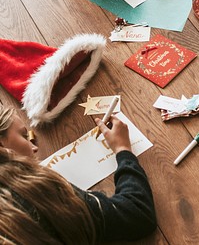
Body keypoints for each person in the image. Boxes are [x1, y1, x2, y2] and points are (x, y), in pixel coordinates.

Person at [0, 103, 157, 243]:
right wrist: (123, 150)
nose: (34, 147)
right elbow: (137, 212)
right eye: (24, 135)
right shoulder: (40, 195)